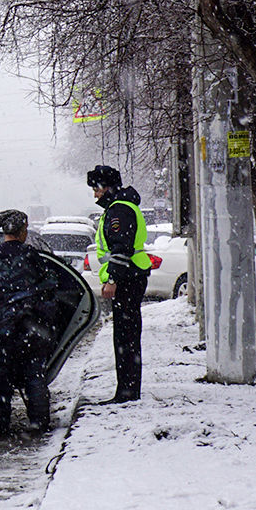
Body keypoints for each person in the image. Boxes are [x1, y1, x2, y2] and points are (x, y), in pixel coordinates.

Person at [0, 208, 60, 431]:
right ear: (21, 230)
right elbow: (51, 281)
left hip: (2, 325)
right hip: (30, 324)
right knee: (34, 375)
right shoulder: (30, 254)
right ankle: (39, 424)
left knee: (1, 379)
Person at [89, 164, 150, 403]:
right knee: (127, 336)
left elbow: (121, 249)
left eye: (96, 188)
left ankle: (127, 392)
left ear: (107, 187)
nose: (95, 194)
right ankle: (127, 389)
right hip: (131, 277)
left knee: (126, 338)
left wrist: (112, 279)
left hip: (127, 279)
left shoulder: (119, 211)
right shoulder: (121, 207)